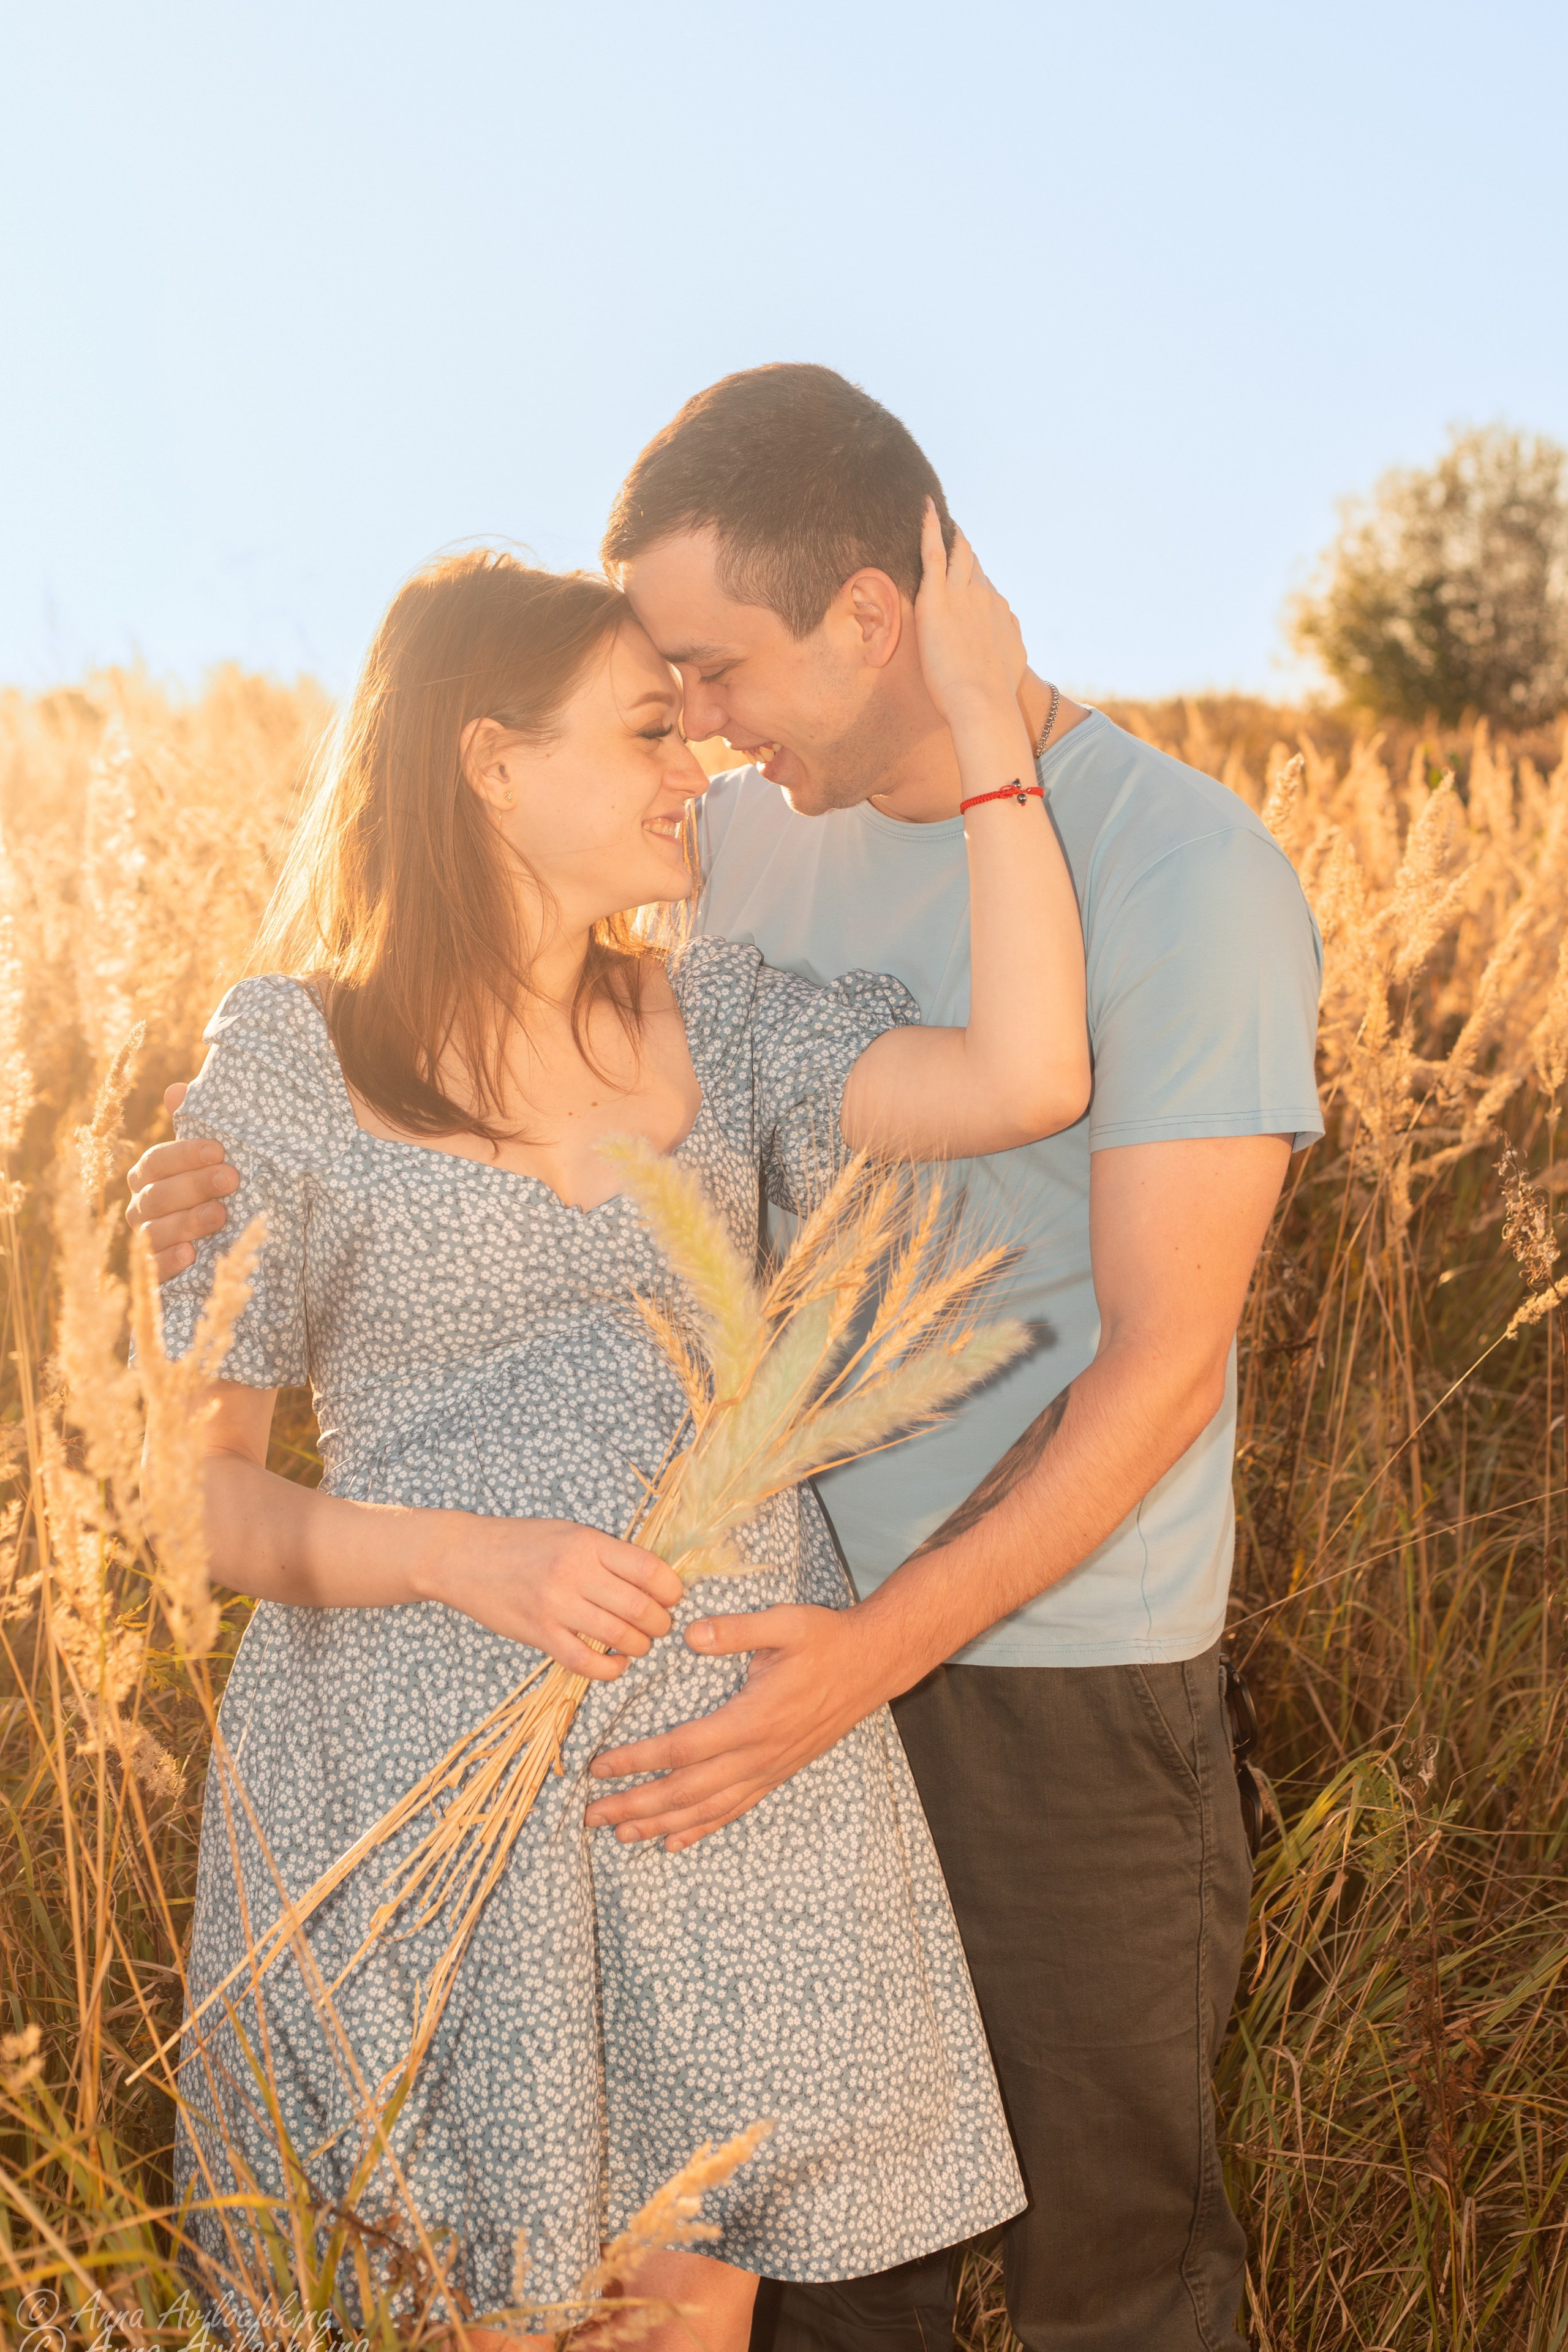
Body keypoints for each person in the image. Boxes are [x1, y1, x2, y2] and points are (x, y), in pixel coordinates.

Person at [132, 364, 1325, 2352]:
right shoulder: (395, 1015)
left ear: (870, 626)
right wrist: (447, 1528)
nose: (699, 744)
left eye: (704, 682)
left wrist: (993, 726)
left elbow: (1081, 1176)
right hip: (515, 1761)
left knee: (935, 2274)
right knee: (554, 2296)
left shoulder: (863, 964)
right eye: (651, 711)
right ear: (491, 766)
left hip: (867, 1723)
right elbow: (207, 1473)